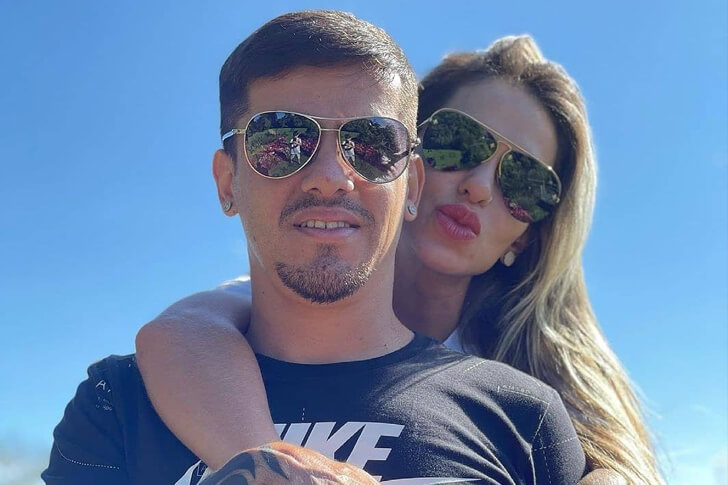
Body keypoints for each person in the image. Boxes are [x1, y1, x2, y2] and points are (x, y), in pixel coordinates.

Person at [42, 11, 588, 485]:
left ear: (411, 184)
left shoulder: (524, 419)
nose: (330, 176)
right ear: (228, 182)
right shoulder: (120, 402)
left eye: (372, 144)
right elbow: (182, 328)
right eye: (282, 141)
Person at [134, 34, 666, 485]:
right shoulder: (284, 303)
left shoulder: (536, 396)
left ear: (526, 238)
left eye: (524, 183)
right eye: (457, 142)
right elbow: (180, 332)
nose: (480, 187)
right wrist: (273, 465)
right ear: (396, 155)